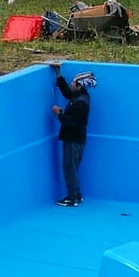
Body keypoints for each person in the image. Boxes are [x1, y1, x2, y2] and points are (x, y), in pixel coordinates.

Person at [52, 69, 97, 207]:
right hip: (75, 139)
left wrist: (59, 114)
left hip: (73, 140)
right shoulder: (80, 97)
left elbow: (71, 122)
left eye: (73, 83)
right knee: (72, 168)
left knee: (70, 169)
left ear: (80, 86)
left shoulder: (80, 104)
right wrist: (59, 76)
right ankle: (76, 195)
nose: (71, 84)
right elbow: (67, 93)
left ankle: (72, 198)